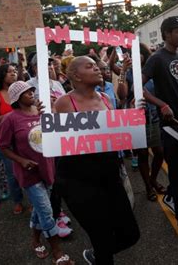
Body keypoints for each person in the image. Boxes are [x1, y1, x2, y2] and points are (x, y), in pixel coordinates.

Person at [54, 56, 140, 265]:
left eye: (97, 65)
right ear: (75, 75)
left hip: (110, 176)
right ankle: (101, 255)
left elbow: (115, 134)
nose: (98, 69)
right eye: (90, 66)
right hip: (80, 182)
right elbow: (60, 144)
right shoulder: (64, 102)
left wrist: (134, 120)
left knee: (131, 234)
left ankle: (97, 255)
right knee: (101, 239)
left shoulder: (106, 99)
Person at [0, 81, 74, 264]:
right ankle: (58, 253)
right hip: (29, 174)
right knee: (47, 211)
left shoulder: (43, 113)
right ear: (16, 98)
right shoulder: (10, 119)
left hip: (47, 168)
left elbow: (57, 132)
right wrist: (22, 161)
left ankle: (35, 239)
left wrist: (49, 114)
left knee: (39, 209)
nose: (31, 93)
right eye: (26, 92)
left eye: (32, 90)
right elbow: (2, 146)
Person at [142, 16, 178, 239]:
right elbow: (141, 88)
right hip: (169, 124)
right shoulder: (156, 59)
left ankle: (173, 196)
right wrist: (162, 104)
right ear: (167, 34)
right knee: (176, 170)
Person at [26, 54, 72, 236]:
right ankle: (51, 220)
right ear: (36, 68)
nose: (51, 67)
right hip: (42, 139)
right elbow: (26, 114)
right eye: (46, 65)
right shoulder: (29, 87)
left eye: (51, 64)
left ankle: (58, 210)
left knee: (60, 177)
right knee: (49, 180)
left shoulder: (57, 84)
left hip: (61, 134)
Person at [117, 44, 166, 201]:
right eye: (133, 53)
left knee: (159, 152)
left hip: (154, 116)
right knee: (143, 154)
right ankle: (148, 187)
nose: (136, 56)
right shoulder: (130, 72)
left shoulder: (153, 71)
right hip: (137, 117)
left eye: (139, 53)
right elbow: (122, 94)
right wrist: (124, 70)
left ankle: (153, 179)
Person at [0, 64, 24, 215]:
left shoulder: (22, 93)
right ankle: (17, 201)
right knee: (12, 172)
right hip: (8, 141)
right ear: (2, 75)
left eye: (15, 71)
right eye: (9, 72)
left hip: (25, 138)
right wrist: (15, 114)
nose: (13, 74)